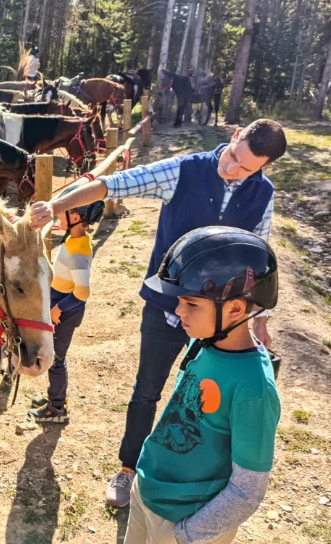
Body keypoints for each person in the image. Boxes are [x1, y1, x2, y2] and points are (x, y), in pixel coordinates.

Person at [28, 119, 287, 507]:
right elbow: (112, 184)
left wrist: (260, 320)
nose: (233, 169)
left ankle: (193, 475)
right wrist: (56, 205)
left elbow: (258, 251)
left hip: (221, 319)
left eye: (247, 168)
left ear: (263, 167)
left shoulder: (263, 193)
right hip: (168, 307)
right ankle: (128, 470)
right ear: (234, 137)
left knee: (205, 397)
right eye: (234, 157)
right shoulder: (184, 170)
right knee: (147, 389)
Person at [125, 226, 280, 544]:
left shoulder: (255, 390)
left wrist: (188, 534)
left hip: (184, 521)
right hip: (147, 492)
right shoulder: (204, 343)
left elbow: (247, 490)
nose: (179, 310)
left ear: (235, 309)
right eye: (180, 301)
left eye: (191, 304)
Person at [29, 199, 104, 423]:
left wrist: (58, 308)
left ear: (75, 218)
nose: (58, 217)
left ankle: (57, 408)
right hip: (60, 303)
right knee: (55, 357)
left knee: (56, 359)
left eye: (62, 214)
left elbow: (82, 293)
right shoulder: (74, 240)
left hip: (65, 311)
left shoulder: (78, 252)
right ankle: (56, 399)